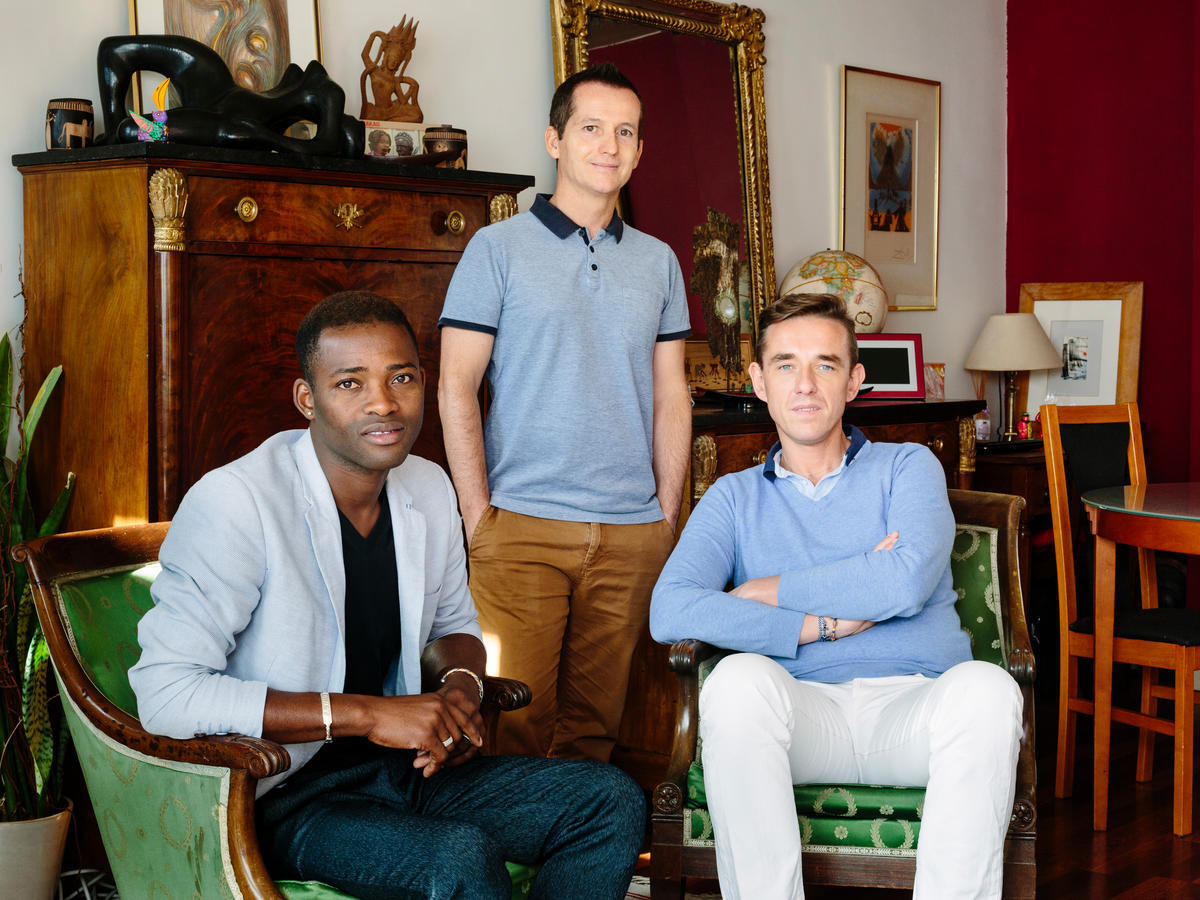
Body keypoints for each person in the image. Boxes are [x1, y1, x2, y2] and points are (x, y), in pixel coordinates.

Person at [129, 291, 644, 899]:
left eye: (401, 377)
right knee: (458, 858)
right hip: (282, 795)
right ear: (307, 399)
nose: (383, 403)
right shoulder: (238, 502)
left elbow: (453, 626)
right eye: (350, 383)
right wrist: (370, 715)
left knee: (608, 800)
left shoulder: (426, 486)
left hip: (406, 770)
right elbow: (166, 694)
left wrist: (460, 692)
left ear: (423, 382)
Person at [650, 293, 1023, 899]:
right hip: (800, 718)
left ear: (853, 381)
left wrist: (768, 591)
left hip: (916, 711)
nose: (805, 385)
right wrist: (818, 626)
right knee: (736, 686)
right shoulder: (731, 498)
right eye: (785, 365)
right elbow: (671, 609)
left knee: (990, 690)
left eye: (825, 365)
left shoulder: (909, 468)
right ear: (759, 382)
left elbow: (903, 580)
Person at [438, 63, 692, 761]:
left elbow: (673, 393)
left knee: (594, 738)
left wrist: (665, 515)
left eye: (625, 133)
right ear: (555, 140)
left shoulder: (659, 262)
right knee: (508, 733)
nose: (608, 145)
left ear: (639, 151)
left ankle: (575, 871)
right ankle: (500, 873)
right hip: (520, 528)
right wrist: (477, 517)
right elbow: (456, 384)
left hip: (631, 533)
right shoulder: (496, 250)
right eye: (591, 128)